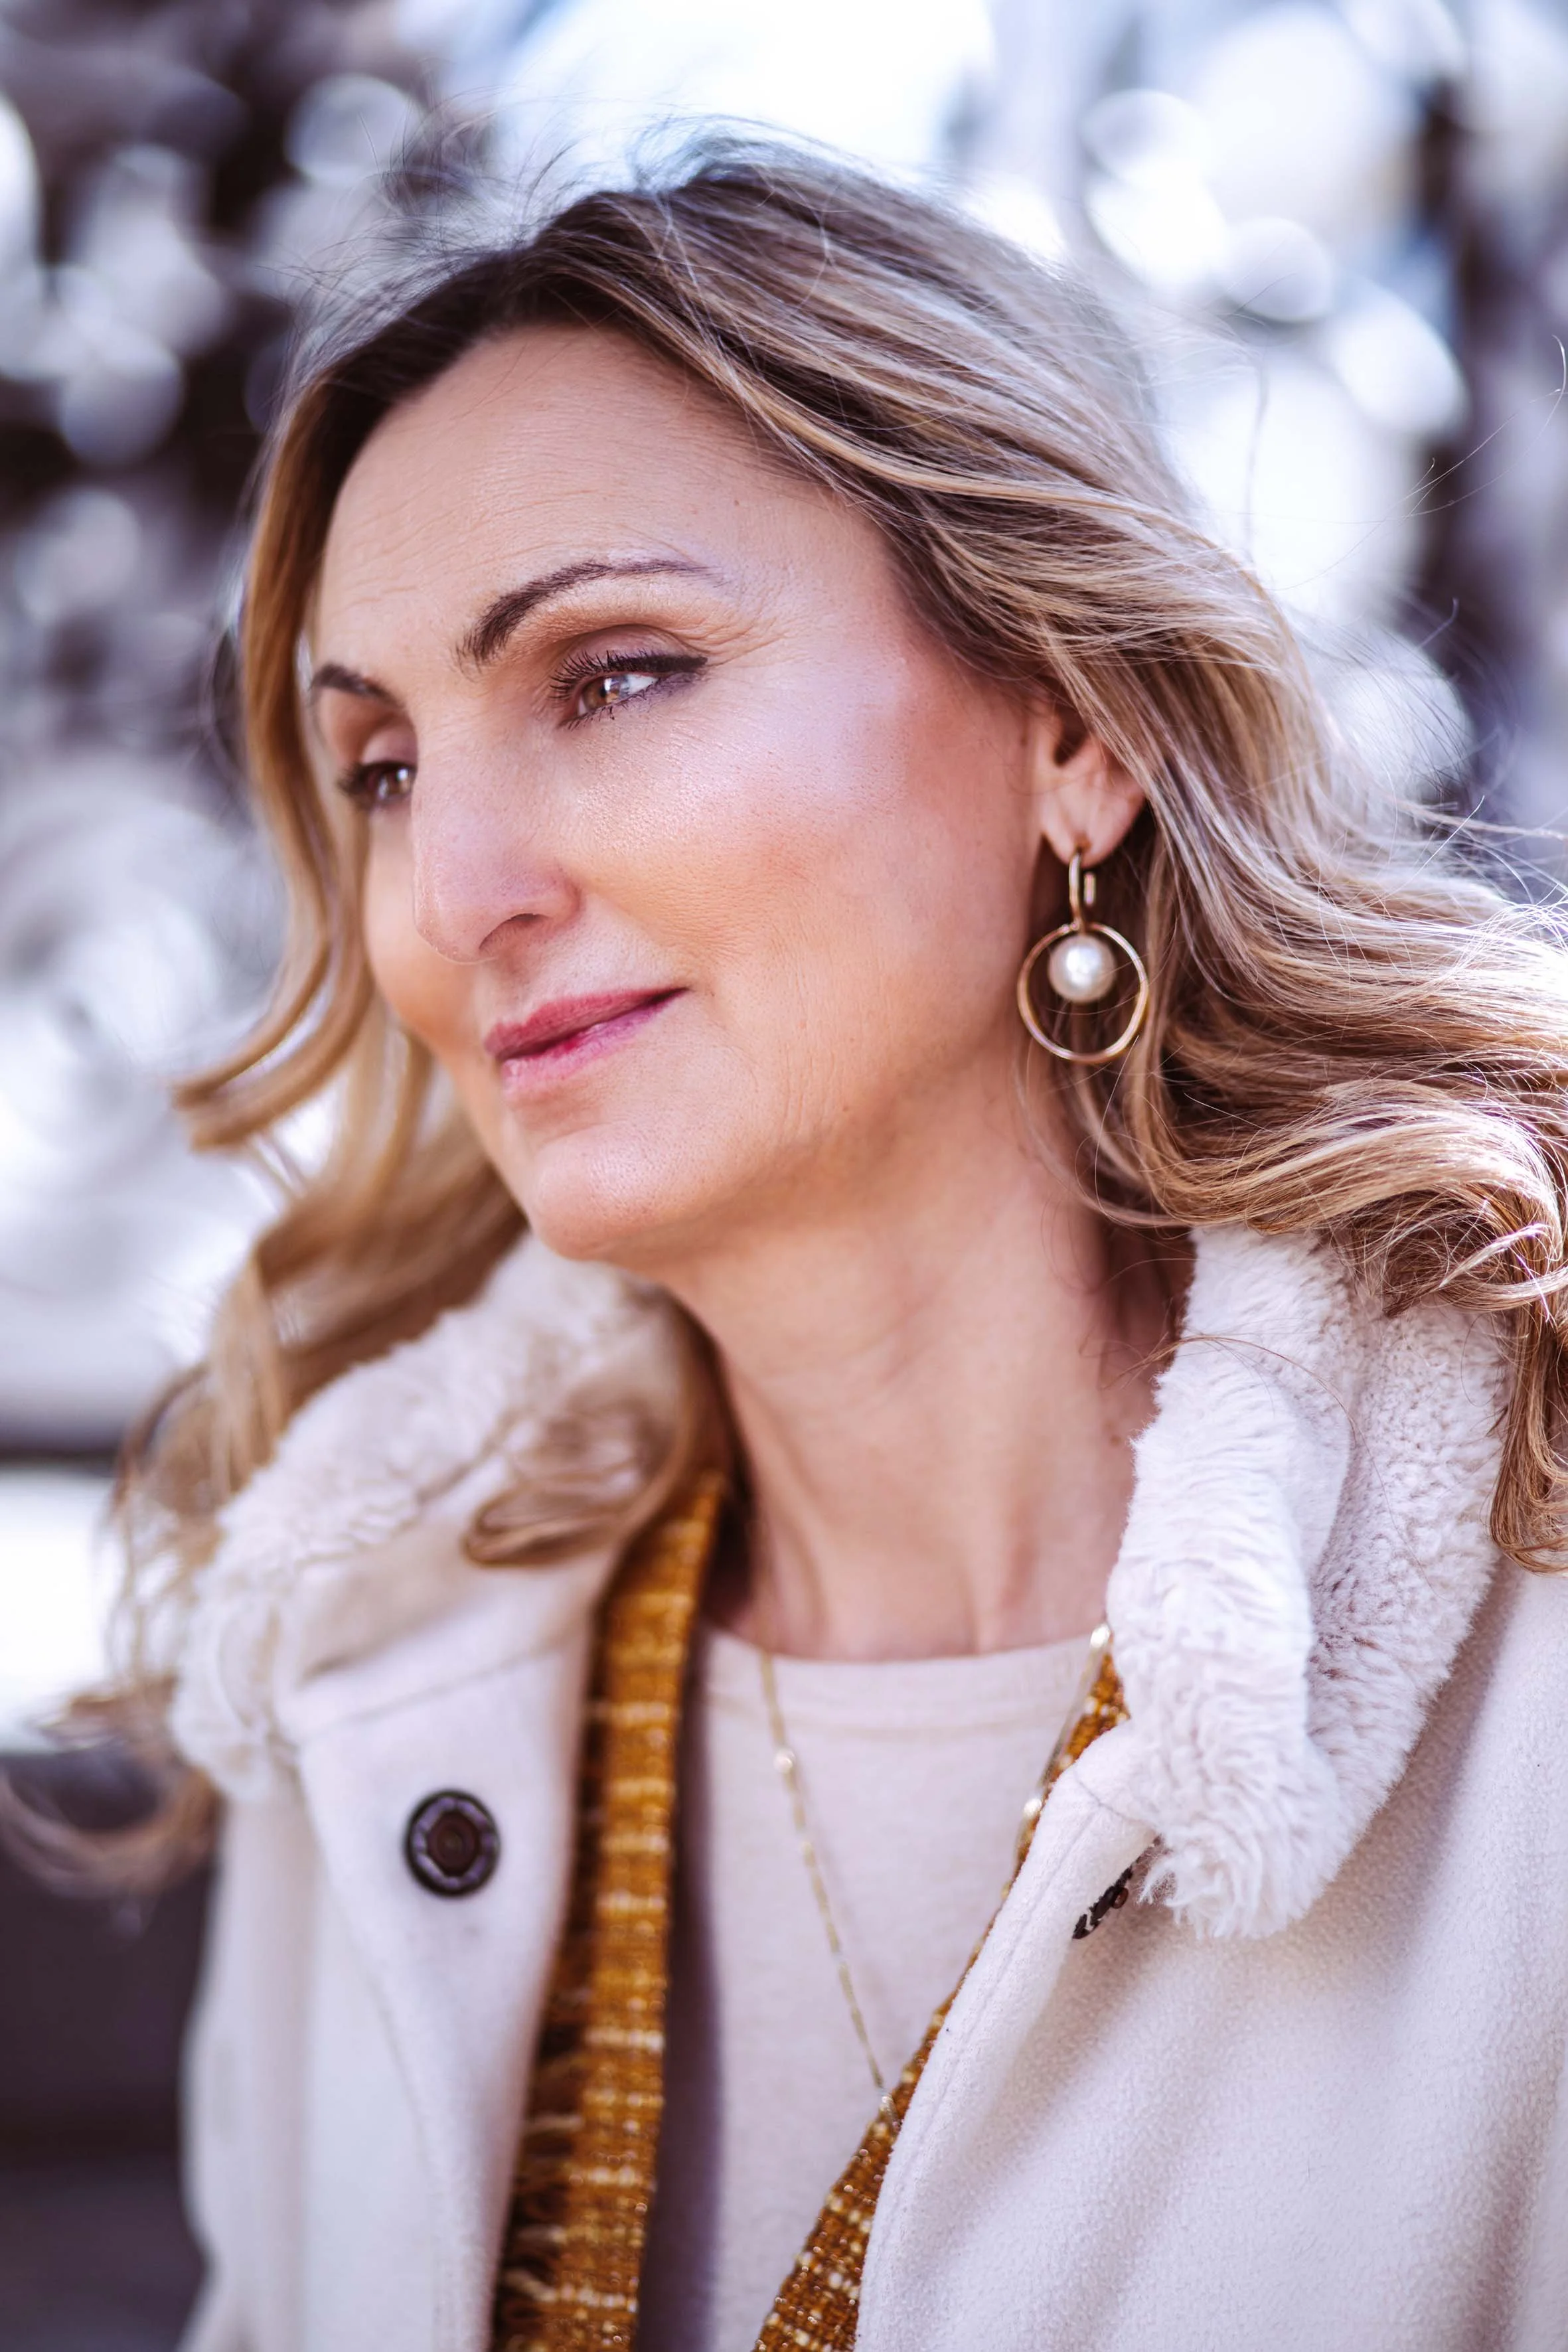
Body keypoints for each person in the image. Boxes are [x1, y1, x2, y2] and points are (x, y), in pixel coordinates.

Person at [119, 142, 1568, 2352]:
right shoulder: (371, 1651)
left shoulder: (1526, 1684)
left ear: (1072, 724)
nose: (458, 888)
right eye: (385, 764)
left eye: (614, 673)